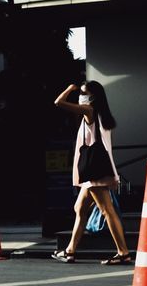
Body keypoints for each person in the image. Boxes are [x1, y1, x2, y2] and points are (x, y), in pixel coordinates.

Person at [51, 81, 132, 265]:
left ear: (92, 97)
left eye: (83, 92)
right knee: (79, 208)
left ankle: (123, 252)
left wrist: (69, 88)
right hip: (95, 171)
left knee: (107, 210)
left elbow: (58, 102)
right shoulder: (103, 115)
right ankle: (70, 250)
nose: (80, 94)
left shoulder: (90, 111)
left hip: (94, 172)